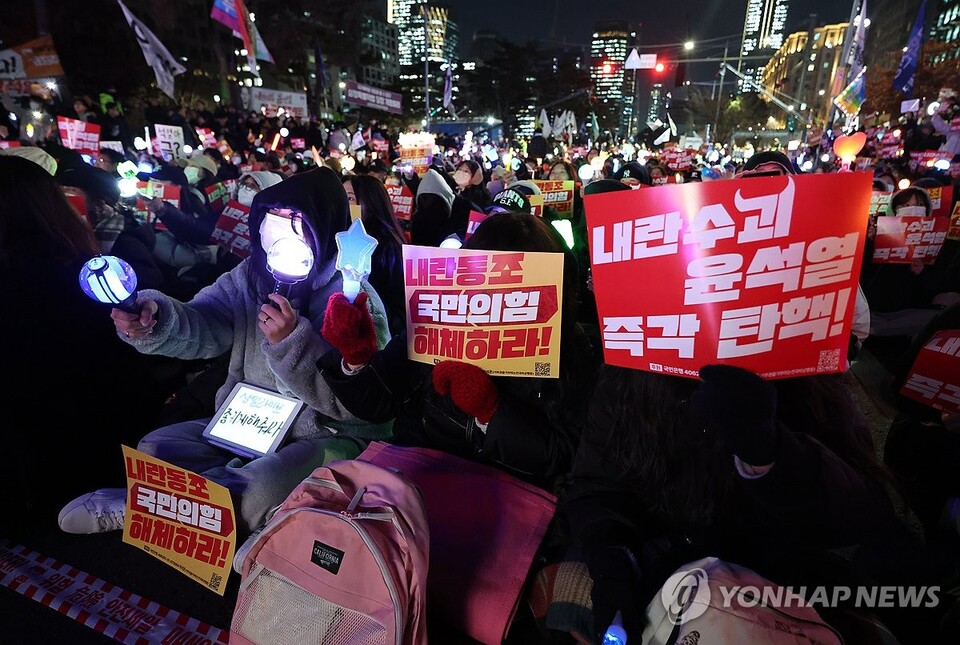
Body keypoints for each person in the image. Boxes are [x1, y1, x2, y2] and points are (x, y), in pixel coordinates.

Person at [57, 166, 393, 541]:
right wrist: (157, 319)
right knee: (155, 448)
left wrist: (291, 343)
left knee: (263, 486)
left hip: (322, 433)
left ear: (322, 224)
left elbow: (362, 401)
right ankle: (217, 514)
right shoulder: (250, 275)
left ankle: (147, 509)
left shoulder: (353, 296)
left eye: (295, 220)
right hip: (246, 423)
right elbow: (206, 322)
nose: (281, 232)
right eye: (274, 219)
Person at [557, 364, 904, 642]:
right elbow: (597, 486)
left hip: (778, 574)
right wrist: (612, 559)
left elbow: (864, 513)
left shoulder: (805, 374)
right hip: (665, 557)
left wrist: (770, 456)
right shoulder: (629, 372)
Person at [318, 212, 600, 490]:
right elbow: (378, 406)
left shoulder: (570, 345)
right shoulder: (437, 315)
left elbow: (566, 453)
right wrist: (356, 359)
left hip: (508, 492)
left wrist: (492, 412)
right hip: (417, 475)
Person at [0, 156, 185, 527]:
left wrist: (147, 318)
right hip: (90, 447)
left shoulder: (92, 274)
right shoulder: (76, 271)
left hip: (61, 451)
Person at [342, 173, 407, 338]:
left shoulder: (388, 249)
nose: (342, 203)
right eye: (340, 196)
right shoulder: (339, 237)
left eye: (349, 198)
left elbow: (398, 314)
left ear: (370, 204)